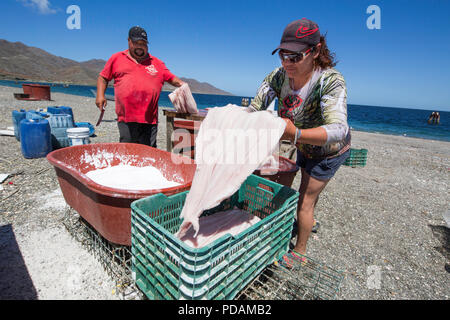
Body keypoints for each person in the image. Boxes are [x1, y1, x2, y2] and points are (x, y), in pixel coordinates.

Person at [248, 18, 351, 266]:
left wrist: (296, 134)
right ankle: (309, 219)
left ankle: (300, 252)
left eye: (295, 57)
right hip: (302, 143)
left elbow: (339, 128)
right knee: (305, 190)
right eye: (283, 55)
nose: (286, 63)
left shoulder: (330, 81)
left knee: (304, 200)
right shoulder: (278, 76)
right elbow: (255, 107)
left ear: (315, 52)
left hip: (329, 152)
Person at [96, 26, 184, 147]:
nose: (140, 46)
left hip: (149, 120)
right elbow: (103, 78)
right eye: (136, 43)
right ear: (129, 41)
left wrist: (183, 85)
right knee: (127, 151)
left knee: (149, 152)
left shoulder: (156, 62)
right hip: (126, 117)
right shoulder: (116, 58)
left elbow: (172, 78)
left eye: (143, 43)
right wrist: (100, 95)